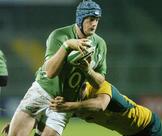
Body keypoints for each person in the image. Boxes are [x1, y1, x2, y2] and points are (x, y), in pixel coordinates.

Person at [7, 0, 107, 136]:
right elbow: (49, 73)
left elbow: (100, 82)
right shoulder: (60, 35)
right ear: (80, 19)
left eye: (97, 19)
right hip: (42, 92)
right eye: (90, 19)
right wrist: (66, 46)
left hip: (64, 103)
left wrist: (88, 70)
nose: (94, 24)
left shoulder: (100, 44)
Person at [50, 81, 162, 136]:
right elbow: (51, 118)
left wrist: (70, 106)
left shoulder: (99, 87)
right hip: (130, 133)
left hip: (149, 126)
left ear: (83, 86)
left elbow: (100, 105)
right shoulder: (74, 103)